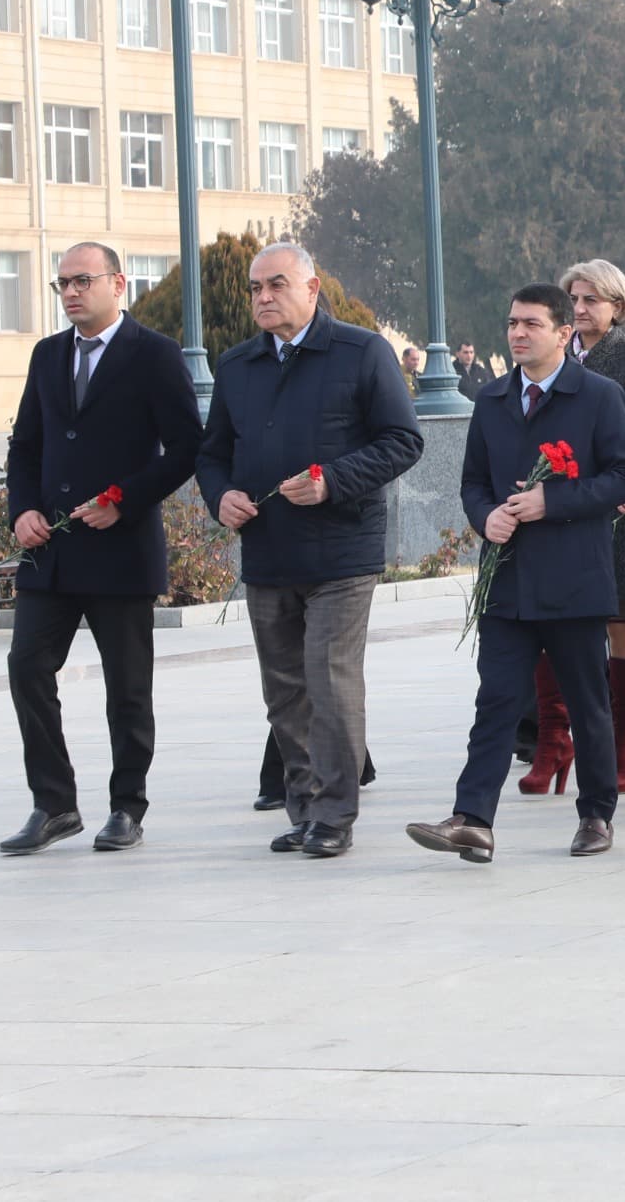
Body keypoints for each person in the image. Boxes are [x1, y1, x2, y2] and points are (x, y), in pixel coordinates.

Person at [408, 283, 625, 865]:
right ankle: (473, 819)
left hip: (575, 580)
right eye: (512, 323)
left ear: (564, 333)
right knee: (497, 699)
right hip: (507, 581)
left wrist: (553, 501)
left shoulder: (598, 395)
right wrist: (485, 516)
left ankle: (595, 814)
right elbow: (472, 483)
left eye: (531, 324)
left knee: (588, 703)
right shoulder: (489, 400)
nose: (517, 333)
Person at [198, 241, 422, 859]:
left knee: (329, 680)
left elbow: (403, 441)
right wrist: (221, 498)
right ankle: (303, 805)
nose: (262, 298)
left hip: (340, 551)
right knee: (284, 689)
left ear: (312, 287)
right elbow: (212, 453)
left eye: (275, 285)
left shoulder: (361, 351)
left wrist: (331, 481)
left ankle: (334, 814)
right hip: (268, 551)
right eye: (254, 289)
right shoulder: (238, 364)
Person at [0, 243, 204, 857]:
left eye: (82, 281)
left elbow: (188, 448)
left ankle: (126, 807)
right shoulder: (48, 354)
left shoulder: (155, 355)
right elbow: (25, 446)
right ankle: (54, 803)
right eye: (61, 283)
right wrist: (22, 510)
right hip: (51, 553)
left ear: (118, 284)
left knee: (127, 688)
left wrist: (128, 499)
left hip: (120, 550)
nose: (70, 293)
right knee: (27, 667)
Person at [519, 259, 625, 795]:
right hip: (557, 513)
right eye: (573, 299)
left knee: (623, 627)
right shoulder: (554, 358)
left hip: (619, 514)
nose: (579, 309)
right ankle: (554, 738)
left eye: (591, 300)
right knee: (551, 625)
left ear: (617, 308)